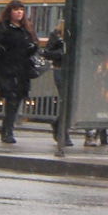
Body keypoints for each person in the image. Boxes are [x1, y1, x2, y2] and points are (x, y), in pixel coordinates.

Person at [0, 0, 40, 145]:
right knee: (11, 99)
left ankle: (6, 127)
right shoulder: (3, 28)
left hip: (23, 69)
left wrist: (32, 48)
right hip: (7, 69)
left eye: (21, 10)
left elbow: (32, 44)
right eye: (16, 10)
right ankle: (8, 130)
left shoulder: (26, 29)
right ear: (10, 12)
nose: (19, 13)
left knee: (18, 99)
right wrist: (4, 55)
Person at [41, 18, 74, 147]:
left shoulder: (76, 33)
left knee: (71, 102)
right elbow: (47, 53)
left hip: (73, 70)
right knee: (67, 101)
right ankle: (63, 131)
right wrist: (61, 53)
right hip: (60, 69)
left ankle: (59, 124)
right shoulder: (57, 34)